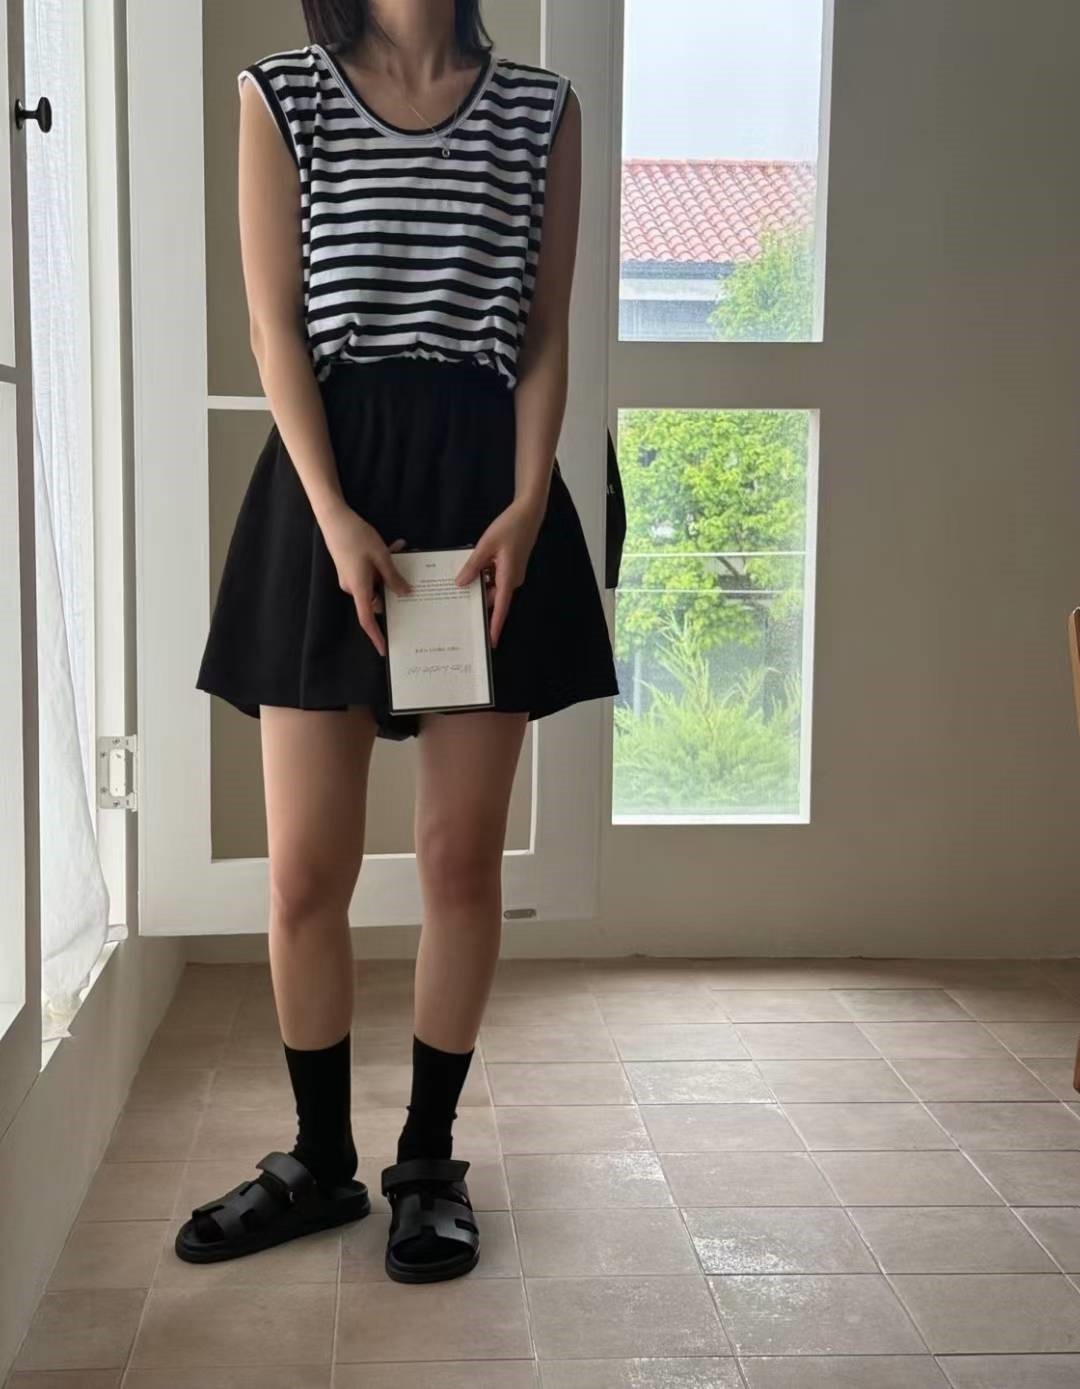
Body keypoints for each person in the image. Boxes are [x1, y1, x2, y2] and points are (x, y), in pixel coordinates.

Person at [178, 0, 617, 1283]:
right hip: (331, 487)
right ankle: (319, 1161)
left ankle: (427, 1160)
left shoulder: (542, 112)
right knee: (303, 873)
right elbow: (275, 325)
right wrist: (333, 516)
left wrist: (528, 502)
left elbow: (544, 330)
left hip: (486, 489)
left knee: (458, 863)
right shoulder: (283, 95)